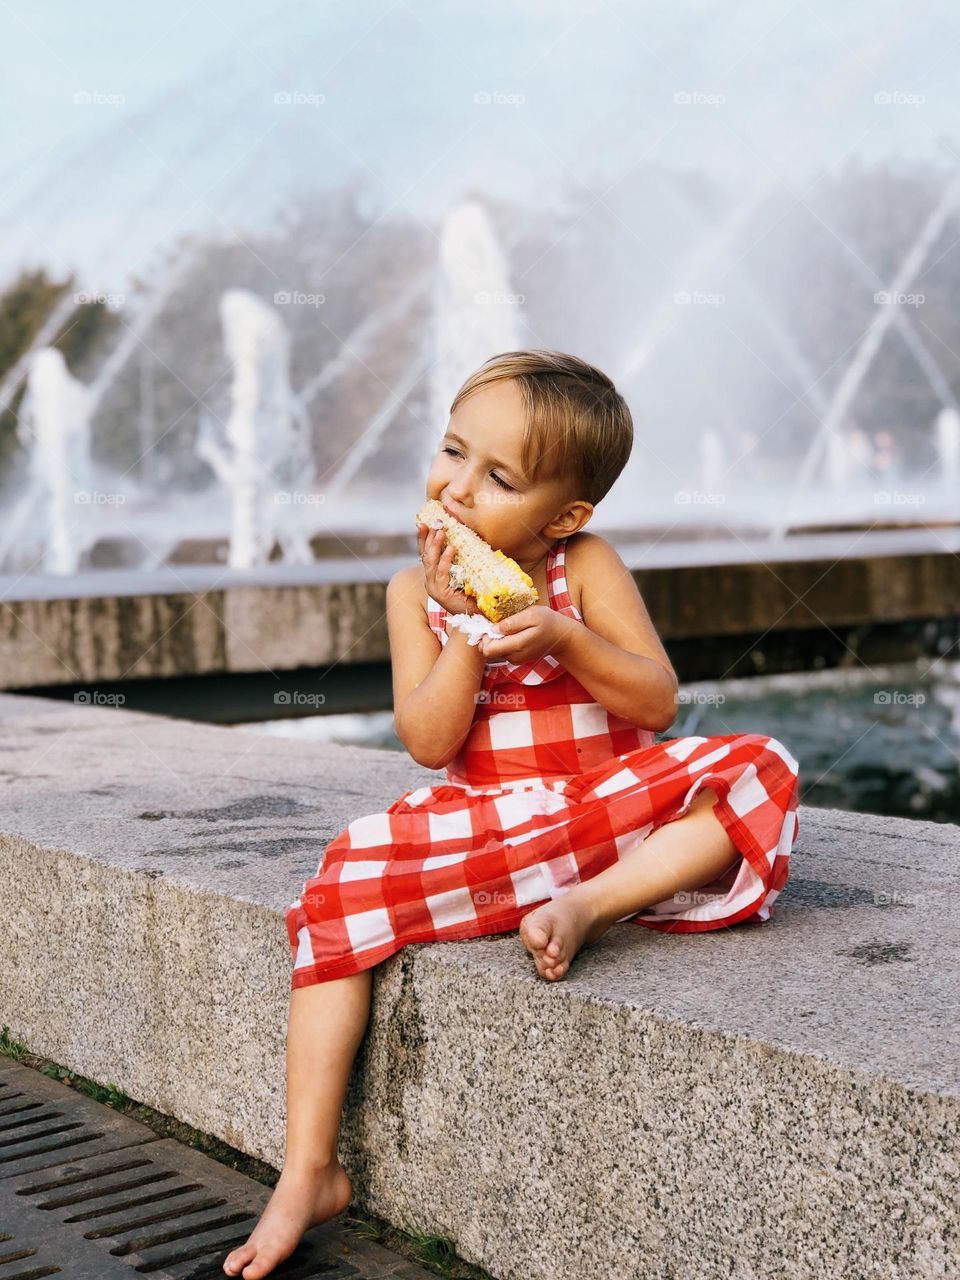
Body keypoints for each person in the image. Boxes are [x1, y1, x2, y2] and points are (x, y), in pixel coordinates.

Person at [223, 349, 801, 1278]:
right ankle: (309, 1167)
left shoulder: (586, 565)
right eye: (452, 453)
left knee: (761, 767)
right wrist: (468, 640)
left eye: (498, 478)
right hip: (491, 826)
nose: (456, 488)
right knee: (338, 886)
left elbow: (655, 704)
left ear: (563, 516)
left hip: (604, 819)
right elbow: (426, 738)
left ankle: (593, 907)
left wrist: (567, 636)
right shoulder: (414, 592)